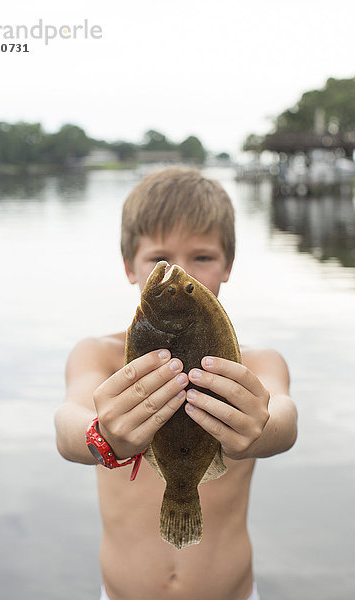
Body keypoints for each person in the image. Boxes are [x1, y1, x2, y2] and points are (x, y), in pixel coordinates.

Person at [54, 167, 298, 600]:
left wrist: (258, 429)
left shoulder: (256, 365)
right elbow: (67, 424)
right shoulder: (100, 356)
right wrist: (103, 435)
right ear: (130, 266)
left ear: (228, 265)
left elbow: (285, 419)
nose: (181, 272)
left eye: (201, 257)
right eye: (159, 259)